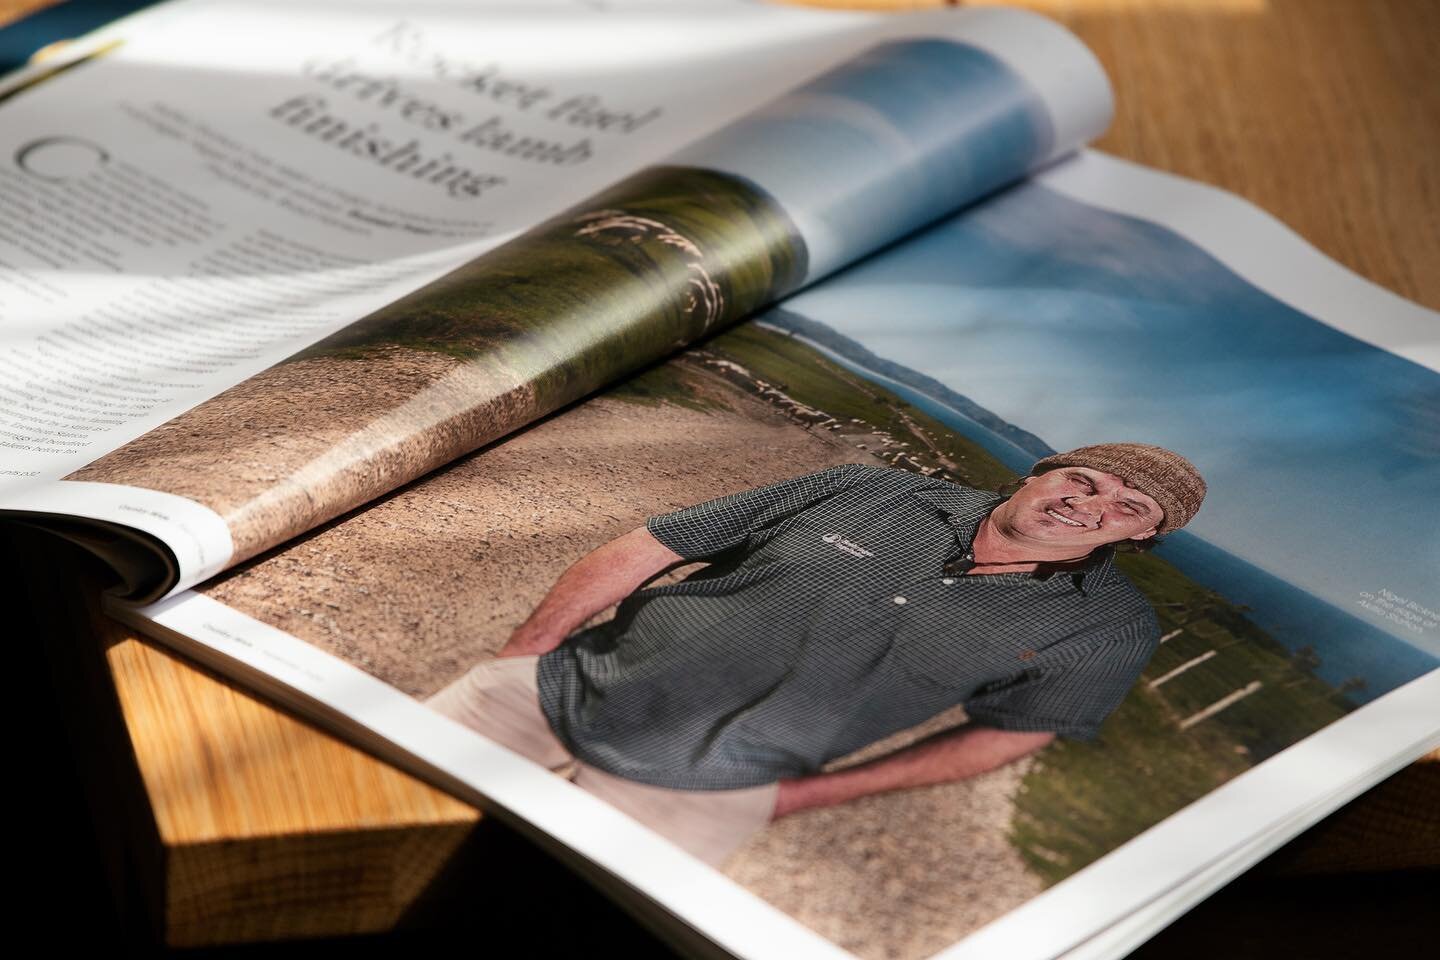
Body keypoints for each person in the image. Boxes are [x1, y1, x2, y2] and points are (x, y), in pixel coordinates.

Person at [428, 442, 1206, 866]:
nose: (1088, 501)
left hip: (709, 797)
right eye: (1080, 477)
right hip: (552, 692)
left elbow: (1013, 733)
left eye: (1127, 506)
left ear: (1142, 535)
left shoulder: (1111, 628)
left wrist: (798, 800)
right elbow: (654, 544)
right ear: (1038, 473)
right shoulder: (864, 489)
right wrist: (524, 655)